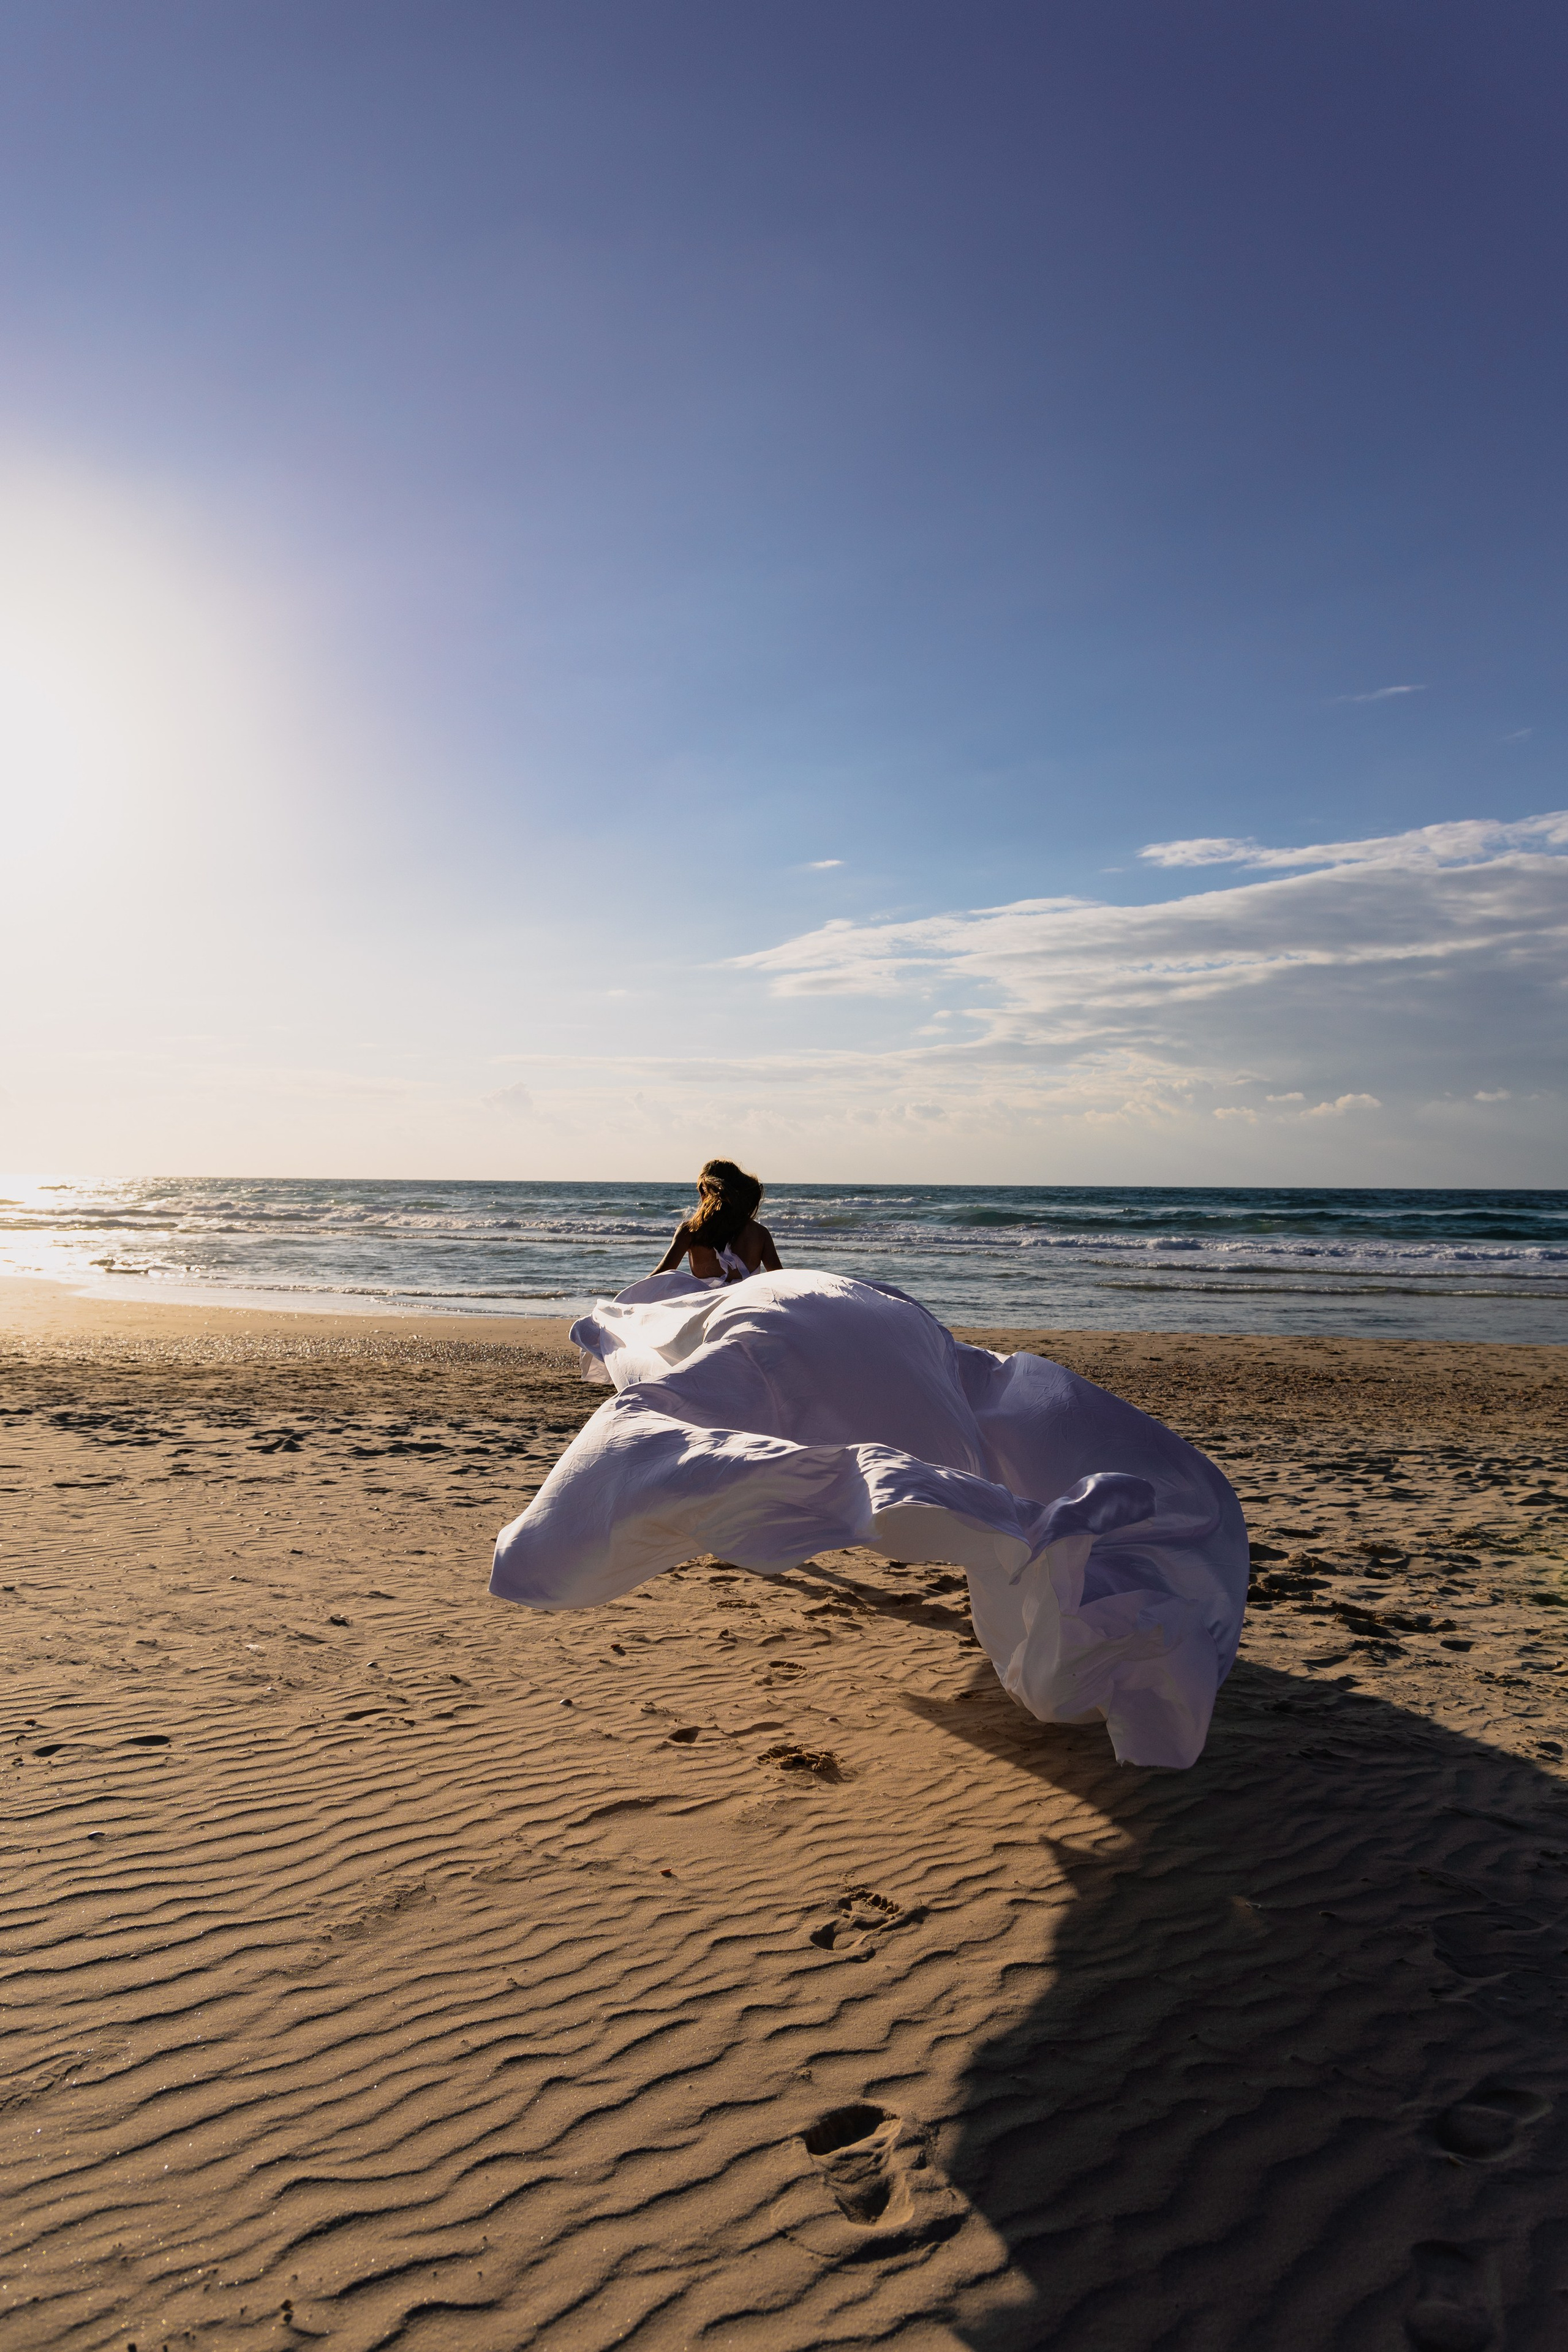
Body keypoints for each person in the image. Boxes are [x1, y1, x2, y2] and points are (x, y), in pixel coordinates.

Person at [651, 1158, 782, 1285]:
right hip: (748, 1306)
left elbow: (657, 1279)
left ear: (703, 1191)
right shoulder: (760, 1234)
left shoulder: (691, 1231)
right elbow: (782, 1281)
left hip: (707, 1307)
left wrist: (630, 1297)